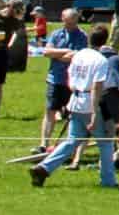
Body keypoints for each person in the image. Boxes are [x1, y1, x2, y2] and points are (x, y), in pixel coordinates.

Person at [31, 24, 119, 189]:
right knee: (106, 142)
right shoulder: (100, 60)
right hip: (91, 103)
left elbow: (70, 81)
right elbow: (97, 86)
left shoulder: (78, 55)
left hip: (76, 100)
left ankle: (44, 168)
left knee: (72, 140)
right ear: (104, 42)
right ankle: (108, 181)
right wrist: (94, 113)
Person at [37, 8, 87, 150]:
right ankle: (44, 143)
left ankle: (69, 145)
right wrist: (65, 52)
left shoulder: (82, 36)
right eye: (67, 22)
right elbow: (46, 52)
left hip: (72, 81)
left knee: (73, 115)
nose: (69, 26)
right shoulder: (56, 34)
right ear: (62, 19)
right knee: (50, 111)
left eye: (72, 23)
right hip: (55, 79)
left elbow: (76, 55)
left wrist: (57, 54)